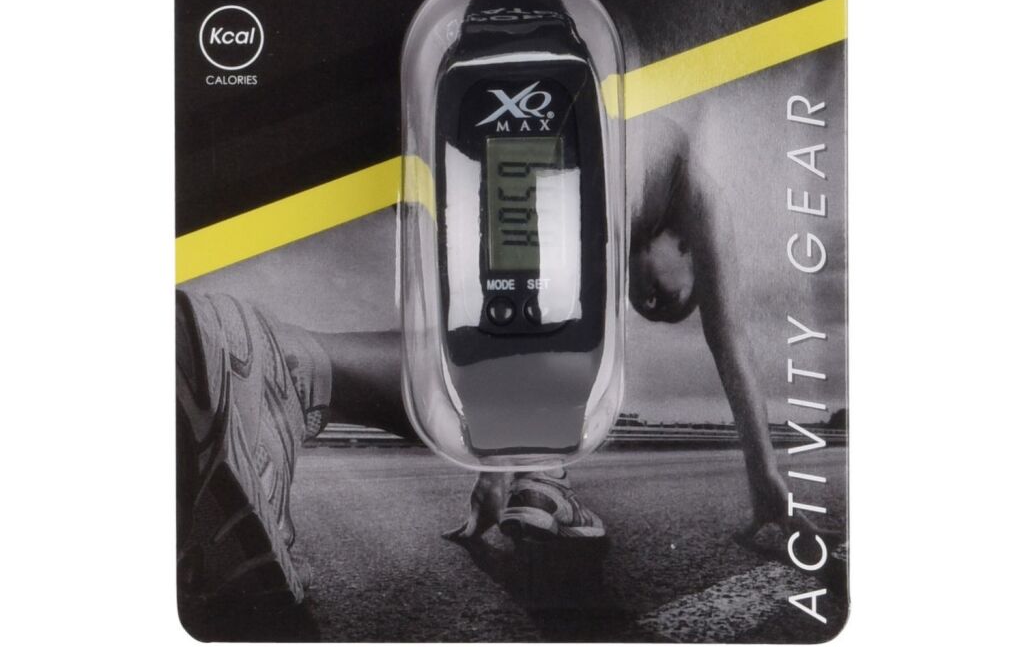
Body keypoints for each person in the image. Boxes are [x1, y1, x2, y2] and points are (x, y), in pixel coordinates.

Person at [176, 111, 801, 605]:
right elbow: (731, 345)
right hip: (513, 161)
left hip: (483, 152)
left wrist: (496, 468)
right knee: (542, 349)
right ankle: (538, 474)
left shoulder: (635, 182)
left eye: (650, 307)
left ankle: (264, 363)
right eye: (662, 297)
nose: (645, 301)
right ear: (688, 247)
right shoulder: (692, 195)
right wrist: (767, 481)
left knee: (478, 352)